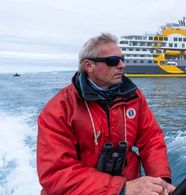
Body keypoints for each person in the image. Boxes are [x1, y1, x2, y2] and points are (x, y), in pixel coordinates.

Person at [37, 33, 175, 195]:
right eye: (113, 61)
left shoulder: (134, 97)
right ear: (89, 66)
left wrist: (161, 181)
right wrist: (121, 189)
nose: (122, 65)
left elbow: (151, 139)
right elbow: (56, 173)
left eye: (122, 59)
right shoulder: (59, 108)